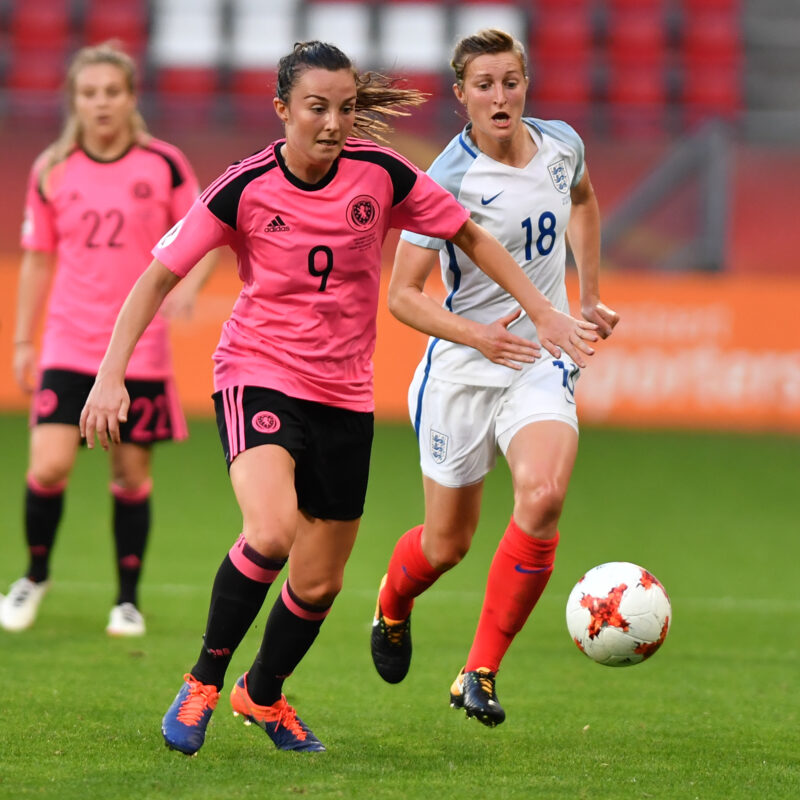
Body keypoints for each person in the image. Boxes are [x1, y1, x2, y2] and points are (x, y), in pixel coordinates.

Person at [80, 40, 597, 756]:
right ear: (282, 109)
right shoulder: (244, 185)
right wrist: (111, 376)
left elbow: (470, 236)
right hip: (258, 371)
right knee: (270, 530)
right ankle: (202, 681)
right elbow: (158, 277)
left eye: (346, 108)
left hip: (345, 394)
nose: (332, 123)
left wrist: (541, 309)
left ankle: (262, 695)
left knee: (319, 584)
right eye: (317, 108)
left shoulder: (382, 174)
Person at [370, 28, 619, 727]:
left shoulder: (562, 144)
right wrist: (482, 333)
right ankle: (392, 604)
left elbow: (585, 200)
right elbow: (404, 295)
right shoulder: (447, 180)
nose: (500, 95)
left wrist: (589, 298)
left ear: (525, 84)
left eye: (511, 80)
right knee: (446, 544)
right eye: (485, 84)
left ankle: (478, 671)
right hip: (461, 368)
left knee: (542, 496)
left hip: (539, 360)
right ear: (462, 96)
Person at [0, 42, 216, 637]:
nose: (101, 103)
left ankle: (126, 600)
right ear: (74, 99)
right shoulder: (52, 169)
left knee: (128, 472)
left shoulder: (165, 165)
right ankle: (33, 576)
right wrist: (23, 342)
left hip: (138, 349)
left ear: (130, 97)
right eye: (89, 93)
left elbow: (207, 231)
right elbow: (39, 259)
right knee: (47, 466)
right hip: (69, 342)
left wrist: (192, 284)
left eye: (112, 92)